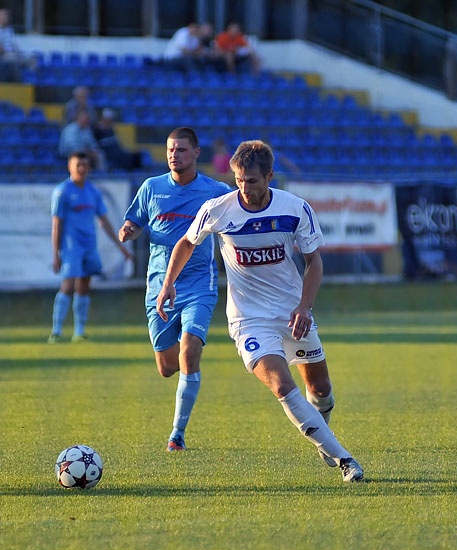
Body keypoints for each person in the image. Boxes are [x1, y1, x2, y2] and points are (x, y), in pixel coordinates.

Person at [155, 140, 364, 483]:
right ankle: (345, 460)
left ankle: (322, 436)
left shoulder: (295, 208)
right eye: (239, 180)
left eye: (251, 181)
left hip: (293, 313)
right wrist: (168, 284)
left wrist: (304, 306)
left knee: (322, 390)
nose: (244, 188)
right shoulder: (218, 208)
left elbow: (314, 263)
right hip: (248, 319)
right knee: (282, 387)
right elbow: (187, 243)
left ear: (269, 176)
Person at [119, 127, 233, 452]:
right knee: (168, 367)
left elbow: (241, 212)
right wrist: (128, 229)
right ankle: (182, 386)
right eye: (170, 149)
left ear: (196, 153)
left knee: (189, 351)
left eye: (181, 149)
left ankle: (176, 435)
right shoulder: (151, 188)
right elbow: (134, 221)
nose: (174, 155)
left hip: (199, 284)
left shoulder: (215, 192)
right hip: (158, 287)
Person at [48, 152, 133, 343]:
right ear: (70, 166)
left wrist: (121, 247)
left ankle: (79, 331)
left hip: (89, 246)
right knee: (67, 285)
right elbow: (57, 225)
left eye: (85, 165)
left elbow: (104, 221)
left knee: (84, 286)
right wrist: (56, 254)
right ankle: (56, 330)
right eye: (78, 165)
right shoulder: (62, 191)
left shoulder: (93, 192)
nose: (82, 169)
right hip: (71, 248)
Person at [0, 8, 35, 82]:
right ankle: (19, 84)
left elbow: (14, 45)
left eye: (6, 15)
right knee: (14, 61)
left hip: (13, 54)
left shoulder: (10, 30)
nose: (4, 17)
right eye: (3, 15)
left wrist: (19, 53)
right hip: (3, 55)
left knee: (32, 60)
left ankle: (32, 82)